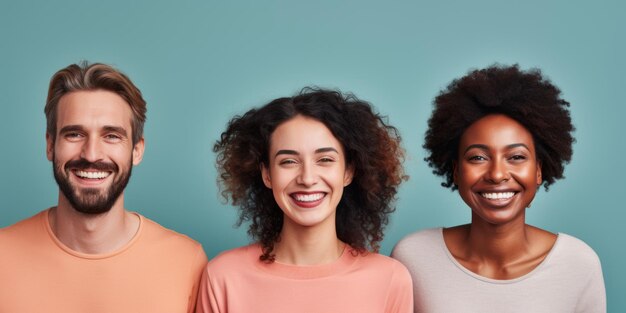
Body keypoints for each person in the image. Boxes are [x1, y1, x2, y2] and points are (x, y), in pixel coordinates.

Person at [392, 64, 606, 313]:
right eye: (478, 158)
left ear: (539, 170)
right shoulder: (414, 256)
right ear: (456, 171)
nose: (496, 174)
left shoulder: (578, 264)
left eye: (516, 157)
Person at [0, 62, 208, 313]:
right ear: (50, 145)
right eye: (74, 134)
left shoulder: (186, 262)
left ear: (137, 150)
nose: (91, 154)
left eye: (111, 136)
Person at [197, 88, 413, 313]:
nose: (307, 178)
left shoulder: (389, 280)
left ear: (348, 172)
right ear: (267, 174)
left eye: (325, 159)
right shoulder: (224, 277)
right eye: (289, 161)